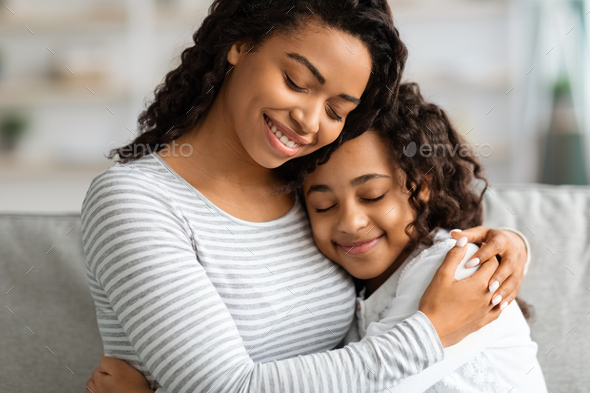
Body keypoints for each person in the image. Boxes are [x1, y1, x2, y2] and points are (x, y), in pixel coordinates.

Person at [83, 1, 531, 392]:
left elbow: (394, 251)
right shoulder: (133, 201)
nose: (308, 120)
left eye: (337, 109)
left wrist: (508, 244)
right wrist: (431, 335)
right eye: (297, 81)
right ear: (240, 43)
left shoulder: (304, 187)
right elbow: (226, 388)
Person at [301, 82, 547, 392]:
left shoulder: (456, 267)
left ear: (421, 186)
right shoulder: (351, 289)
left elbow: (374, 382)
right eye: (324, 206)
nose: (350, 222)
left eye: (373, 196)